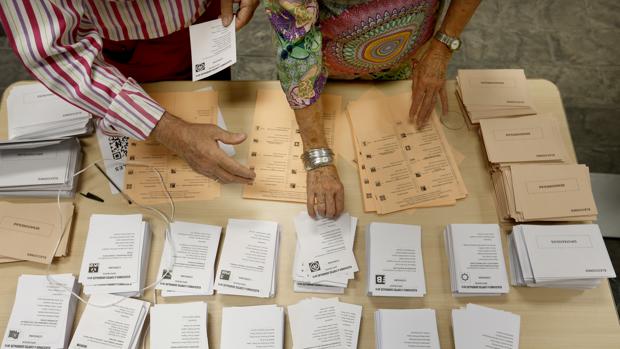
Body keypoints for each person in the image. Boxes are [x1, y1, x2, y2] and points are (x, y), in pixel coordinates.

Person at [0, 0, 259, 184]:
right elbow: (55, 52)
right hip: (134, 47)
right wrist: (170, 131)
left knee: (223, 109)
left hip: (209, 18)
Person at [265, 0, 480, 218]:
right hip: (323, 77)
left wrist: (442, 46)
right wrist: (317, 157)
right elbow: (296, 45)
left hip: (407, 62)